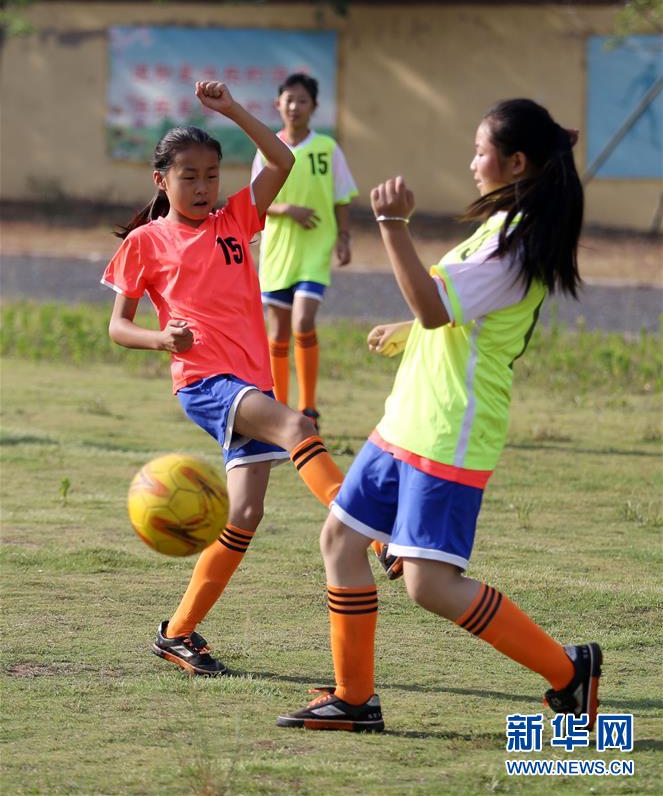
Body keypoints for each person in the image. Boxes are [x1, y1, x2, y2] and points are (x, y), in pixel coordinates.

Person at [277, 98, 603, 733]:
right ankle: (354, 699)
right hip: (408, 417)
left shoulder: (513, 244)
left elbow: (435, 306)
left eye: (481, 151)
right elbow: (447, 314)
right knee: (340, 539)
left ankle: (569, 671)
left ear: (515, 162)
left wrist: (391, 225)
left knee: (428, 586)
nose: (473, 162)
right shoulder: (500, 226)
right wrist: (413, 329)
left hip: (451, 429)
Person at [102, 81, 352, 677]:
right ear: (161, 179)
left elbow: (284, 160)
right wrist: (161, 339)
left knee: (243, 515)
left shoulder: (237, 217)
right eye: (188, 176)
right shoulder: (145, 242)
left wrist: (233, 110)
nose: (203, 186)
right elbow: (118, 326)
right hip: (204, 381)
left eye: (211, 174)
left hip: (250, 382)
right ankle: (375, 536)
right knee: (297, 424)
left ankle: (178, 632)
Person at [252, 73, 359, 429]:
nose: (294, 106)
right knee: (278, 331)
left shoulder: (327, 149)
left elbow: (342, 194)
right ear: (278, 104)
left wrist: (344, 236)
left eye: (302, 101)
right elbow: (256, 202)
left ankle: (309, 407)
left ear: (313, 107)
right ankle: (279, 406)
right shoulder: (267, 148)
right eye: (288, 99)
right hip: (278, 252)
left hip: (315, 248)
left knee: (303, 321)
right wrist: (288, 210)